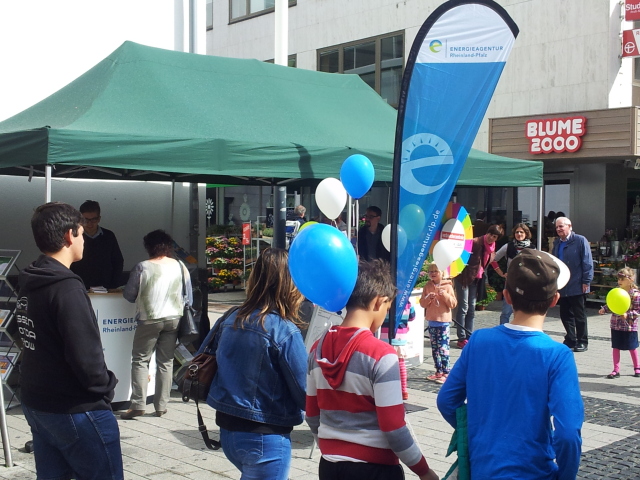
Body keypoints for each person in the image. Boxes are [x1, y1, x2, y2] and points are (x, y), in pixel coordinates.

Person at [437, 249, 584, 480]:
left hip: (482, 469)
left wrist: (479, 433)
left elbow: (446, 400)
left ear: (506, 296)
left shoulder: (478, 340)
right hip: (534, 471)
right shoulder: (558, 356)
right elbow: (568, 434)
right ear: (555, 300)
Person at [17, 202, 123, 479]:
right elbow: (86, 357)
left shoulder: (31, 278)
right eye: (80, 231)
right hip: (74, 408)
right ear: (68, 235)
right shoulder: (66, 287)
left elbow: (26, 336)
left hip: (37, 401)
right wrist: (106, 389)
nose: (84, 238)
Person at [306, 259, 439, 480]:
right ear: (379, 302)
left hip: (329, 466)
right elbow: (394, 428)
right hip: (375, 468)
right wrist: (424, 471)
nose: (386, 314)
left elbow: (311, 415)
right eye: (388, 308)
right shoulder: (381, 355)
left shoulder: (316, 350)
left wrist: (333, 448)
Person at [200, 248, 307, 479]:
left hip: (228, 431)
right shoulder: (284, 331)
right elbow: (305, 393)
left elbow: (203, 356)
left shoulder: (230, 317)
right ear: (291, 284)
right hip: (265, 435)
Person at [121, 229, 192, 419]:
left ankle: (137, 404)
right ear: (168, 246)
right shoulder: (180, 266)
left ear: (149, 247)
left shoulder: (142, 267)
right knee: (166, 361)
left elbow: (128, 295)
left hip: (149, 319)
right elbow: (189, 298)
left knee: (140, 360)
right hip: (174, 318)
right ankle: (161, 406)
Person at [453, 224, 503, 348]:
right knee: (463, 307)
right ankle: (461, 337)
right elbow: (460, 255)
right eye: (491, 234)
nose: (491, 238)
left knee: (472, 307)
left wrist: (501, 272)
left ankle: (469, 335)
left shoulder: (491, 248)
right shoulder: (475, 242)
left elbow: (492, 261)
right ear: (487, 233)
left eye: (494, 236)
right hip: (464, 278)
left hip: (476, 279)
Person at [552, 216, 594, 352]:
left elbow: (587, 262)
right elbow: (554, 263)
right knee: (565, 314)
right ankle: (570, 339)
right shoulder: (557, 243)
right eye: (557, 227)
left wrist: (586, 281)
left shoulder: (580, 240)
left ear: (569, 226)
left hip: (577, 283)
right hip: (563, 285)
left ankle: (582, 341)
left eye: (561, 226)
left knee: (579, 315)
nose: (558, 229)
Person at [70, 200, 124, 289]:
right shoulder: (74, 236)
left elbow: (118, 261)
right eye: (86, 220)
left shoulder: (109, 236)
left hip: (106, 287)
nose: (90, 223)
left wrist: (114, 285)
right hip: (79, 286)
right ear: (80, 219)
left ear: (99, 219)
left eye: (93, 219)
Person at [598, 267, 640, 378]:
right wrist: (604, 309)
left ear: (630, 280)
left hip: (629, 326)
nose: (619, 281)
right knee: (616, 347)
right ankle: (616, 370)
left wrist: (628, 315)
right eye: (618, 279)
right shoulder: (617, 292)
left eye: (622, 279)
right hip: (616, 324)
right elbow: (612, 303)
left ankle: (637, 367)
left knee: (632, 347)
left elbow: (638, 310)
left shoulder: (635, 294)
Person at [420, 263, 457, 384]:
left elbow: (453, 304)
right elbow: (422, 303)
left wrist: (445, 295)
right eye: (430, 272)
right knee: (434, 348)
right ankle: (438, 371)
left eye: (435, 271)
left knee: (443, 348)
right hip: (431, 320)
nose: (433, 274)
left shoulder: (448, 287)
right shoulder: (428, 286)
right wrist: (428, 298)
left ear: (442, 273)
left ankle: (446, 372)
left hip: (443, 322)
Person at [491, 223, 534, 324]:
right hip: (511, 282)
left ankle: (518, 333)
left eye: (521, 232)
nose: (519, 234)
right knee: (506, 311)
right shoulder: (508, 246)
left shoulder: (532, 248)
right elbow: (493, 259)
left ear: (526, 234)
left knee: (522, 311)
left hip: (525, 284)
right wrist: (501, 273)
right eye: (517, 232)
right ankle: (503, 333)